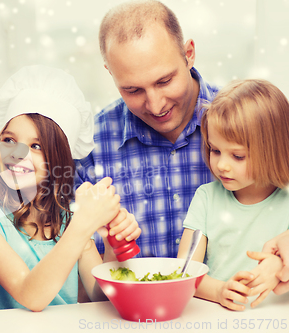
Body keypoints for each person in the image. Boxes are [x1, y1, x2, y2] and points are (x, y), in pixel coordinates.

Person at [0, 65, 141, 311]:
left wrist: (112, 245)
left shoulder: (69, 222)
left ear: (58, 159)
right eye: (9, 140)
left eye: (36, 146)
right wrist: (83, 224)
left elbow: (101, 299)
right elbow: (30, 296)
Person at [76, 0, 220, 258]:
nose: (155, 106)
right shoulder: (87, 146)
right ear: (110, 73)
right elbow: (79, 280)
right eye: (132, 90)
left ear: (189, 54)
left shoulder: (250, 121)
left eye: (164, 81)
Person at [177, 79, 289, 311]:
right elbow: (185, 271)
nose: (222, 166)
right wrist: (218, 291)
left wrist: (279, 267)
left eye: (237, 156)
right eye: (215, 150)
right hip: (219, 319)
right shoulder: (206, 198)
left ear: (274, 150)